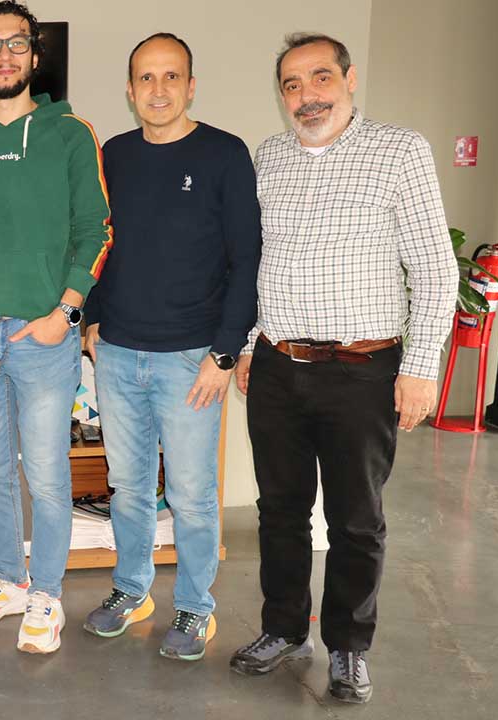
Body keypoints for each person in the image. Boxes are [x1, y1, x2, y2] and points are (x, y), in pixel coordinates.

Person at [229, 33, 457, 703]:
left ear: (349, 79)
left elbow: (435, 268)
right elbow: (257, 263)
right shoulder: (269, 158)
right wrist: (250, 344)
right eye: (292, 84)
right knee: (280, 510)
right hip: (277, 367)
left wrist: (420, 367)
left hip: (363, 372)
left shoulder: (400, 151)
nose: (307, 95)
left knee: (356, 518)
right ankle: (283, 628)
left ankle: (349, 647)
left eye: (320, 77)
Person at [0, 1, 112, 654]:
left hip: (44, 338)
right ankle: (8, 581)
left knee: (47, 476)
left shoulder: (71, 134)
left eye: (16, 43)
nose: (3, 55)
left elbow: (96, 231)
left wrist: (64, 315)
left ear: (35, 56)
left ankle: (47, 596)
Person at [79, 32, 260, 662]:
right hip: (118, 354)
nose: (158, 90)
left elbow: (246, 260)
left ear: (191, 85)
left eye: (171, 76)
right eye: (146, 78)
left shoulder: (224, 154)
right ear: (130, 91)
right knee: (128, 488)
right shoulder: (115, 155)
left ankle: (194, 606)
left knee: (190, 495)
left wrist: (224, 353)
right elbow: (99, 242)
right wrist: (92, 321)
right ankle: (132, 591)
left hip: (191, 359)